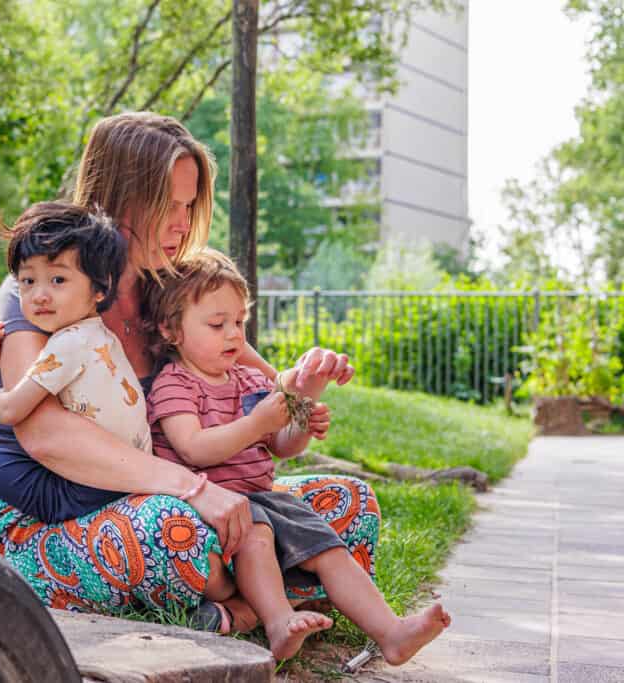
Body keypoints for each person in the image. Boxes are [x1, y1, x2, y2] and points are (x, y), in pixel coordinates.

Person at [0, 111, 377, 642]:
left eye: (189, 206)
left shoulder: (179, 293)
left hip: (170, 498)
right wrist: (195, 490)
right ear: (114, 200)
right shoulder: (42, 290)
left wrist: (300, 388)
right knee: (172, 533)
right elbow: (44, 436)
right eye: (167, 207)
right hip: (41, 515)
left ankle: (234, 605)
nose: (182, 224)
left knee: (347, 503)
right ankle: (255, 603)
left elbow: (267, 401)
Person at [144, 249, 451, 662]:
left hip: (264, 497)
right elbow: (192, 446)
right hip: (212, 504)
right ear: (171, 329)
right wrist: (256, 424)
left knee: (326, 545)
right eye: (218, 325)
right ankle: (278, 623)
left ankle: (392, 632)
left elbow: (281, 446)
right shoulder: (174, 383)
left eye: (239, 322)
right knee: (257, 534)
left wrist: (300, 422)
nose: (235, 335)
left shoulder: (249, 378)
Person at [0, 201, 152, 472]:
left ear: (100, 288)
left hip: (89, 483)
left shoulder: (67, 343)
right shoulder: (102, 338)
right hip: (129, 472)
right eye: (28, 281)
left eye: (58, 280)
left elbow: (10, 411)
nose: (40, 296)